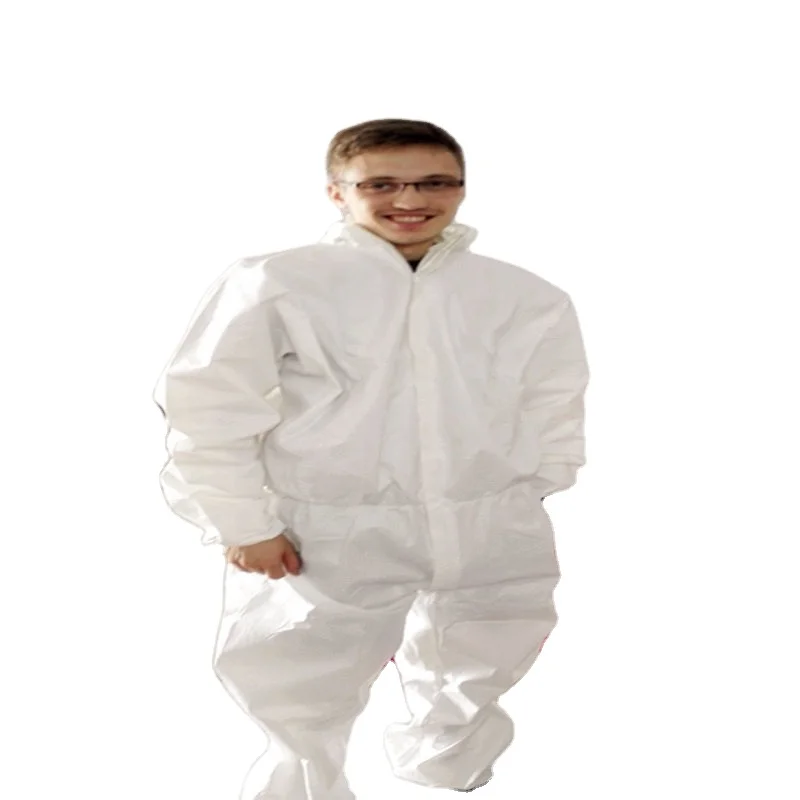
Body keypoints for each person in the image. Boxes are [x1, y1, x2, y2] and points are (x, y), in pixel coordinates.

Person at [153, 118, 590, 799]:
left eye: (434, 182)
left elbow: (553, 396)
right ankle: (304, 785)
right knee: (300, 668)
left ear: (462, 189)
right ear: (337, 192)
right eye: (381, 184)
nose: (409, 199)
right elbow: (210, 403)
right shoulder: (279, 281)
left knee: (488, 642)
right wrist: (240, 521)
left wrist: (538, 483)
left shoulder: (521, 294)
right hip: (329, 522)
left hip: (488, 516)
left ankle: (446, 766)